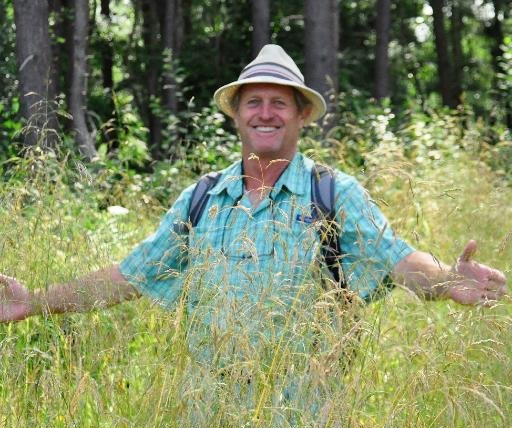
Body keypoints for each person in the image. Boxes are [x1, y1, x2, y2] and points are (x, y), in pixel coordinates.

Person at [0, 44, 507, 325]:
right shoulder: (201, 201)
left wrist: (446, 279)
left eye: (279, 102)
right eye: (253, 103)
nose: (266, 113)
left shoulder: (334, 194)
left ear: (302, 114)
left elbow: (397, 259)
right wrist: (37, 301)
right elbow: (128, 276)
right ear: (237, 116)